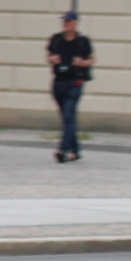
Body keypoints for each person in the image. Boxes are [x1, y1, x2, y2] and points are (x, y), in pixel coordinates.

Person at [46, 11, 96, 163]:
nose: (65, 23)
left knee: (68, 115)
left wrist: (83, 63)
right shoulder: (56, 39)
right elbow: (49, 55)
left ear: (75, 23)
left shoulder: (82, 41)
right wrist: (52, 59)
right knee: (68, 117)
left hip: (75, 82)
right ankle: (75, 151)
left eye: (68, 21)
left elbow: (92, 59)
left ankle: (63, 149)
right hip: (59, 82)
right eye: (64, 21)